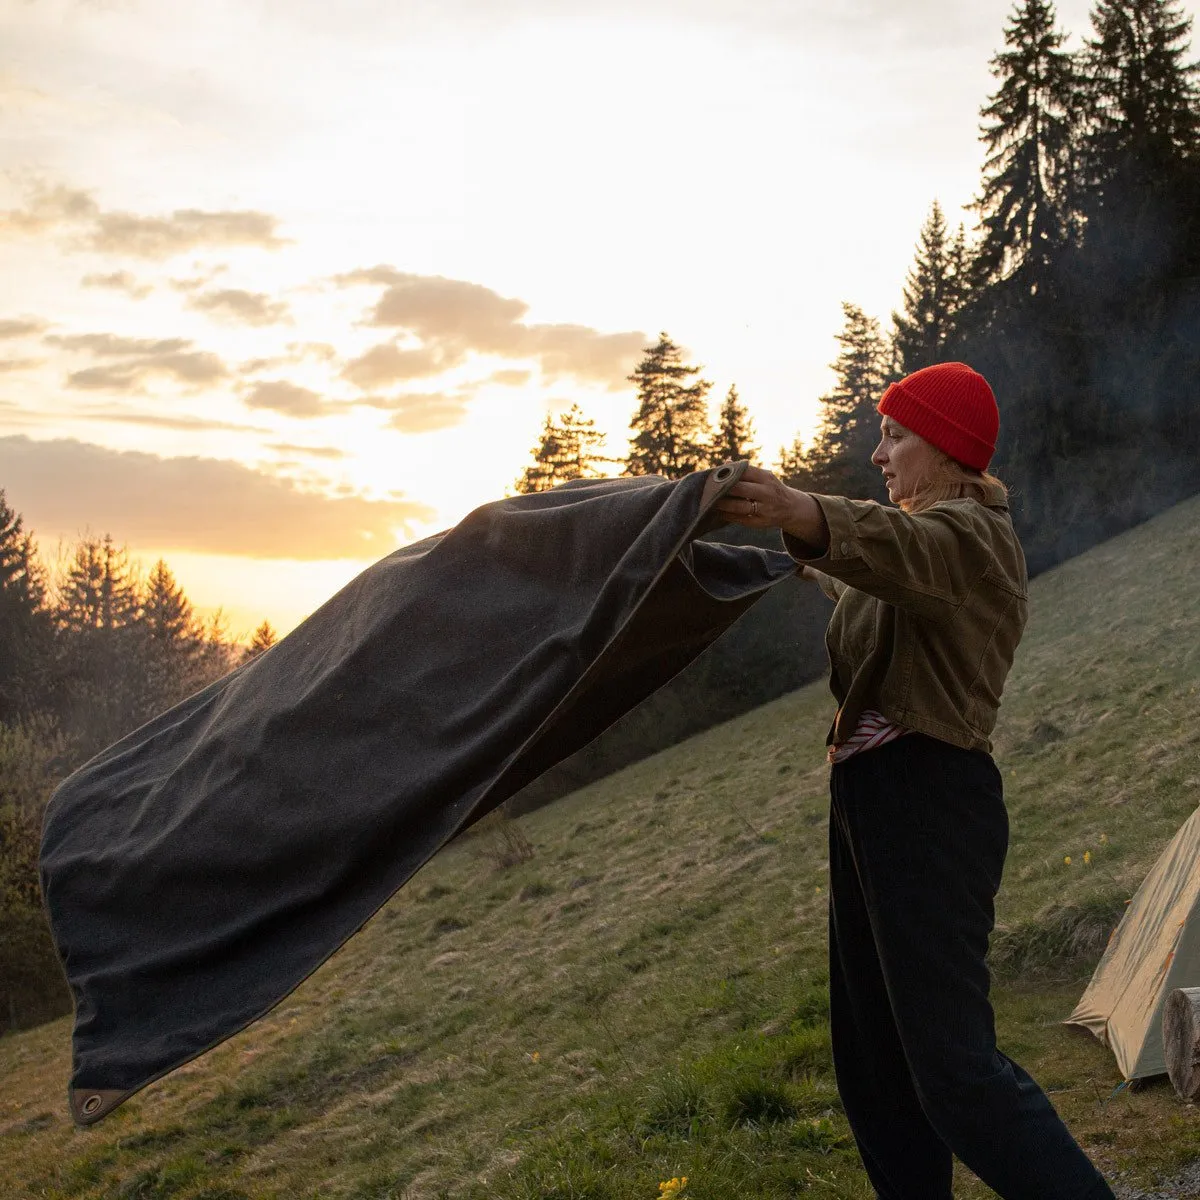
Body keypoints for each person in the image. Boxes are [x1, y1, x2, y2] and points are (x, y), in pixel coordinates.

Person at [714, 361, 1115, 1200]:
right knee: (874, 1066)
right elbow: (870, 572)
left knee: (953, 1075)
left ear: (946, 449)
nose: (880, 451)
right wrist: (786, 547)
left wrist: (804, 509)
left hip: (929, 798)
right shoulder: (922, 543)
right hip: (869, 799)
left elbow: (903, 553)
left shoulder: (972, 539)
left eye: (896, 434)